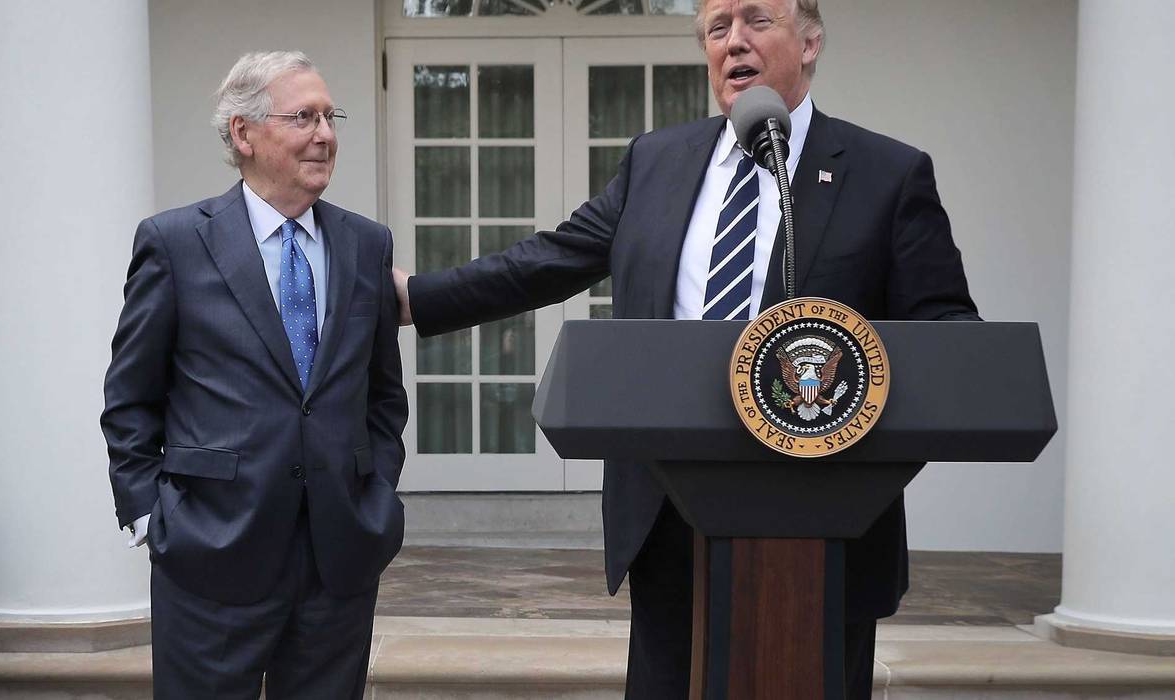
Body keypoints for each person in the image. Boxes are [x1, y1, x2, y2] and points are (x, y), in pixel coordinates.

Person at [393, 1, 979, 697]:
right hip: (671, 506)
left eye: (756, 20)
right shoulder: (656, 161)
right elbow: (549, 259)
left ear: (811, 40)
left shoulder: (886, 173)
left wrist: (848, 382)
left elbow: (946, 333)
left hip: (824, 518)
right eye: (716, 26)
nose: (733, 41)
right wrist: (414, 297)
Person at [102, 51, 406, 699]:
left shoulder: (366, 244)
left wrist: (377, 496)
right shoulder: (176, 241)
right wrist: (149, 517)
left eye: (330, 117)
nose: (325, 134)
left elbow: (383, 395)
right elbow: (130, 396)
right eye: (304, 117)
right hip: (209, 553)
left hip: (340, 556)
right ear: (244, 134)